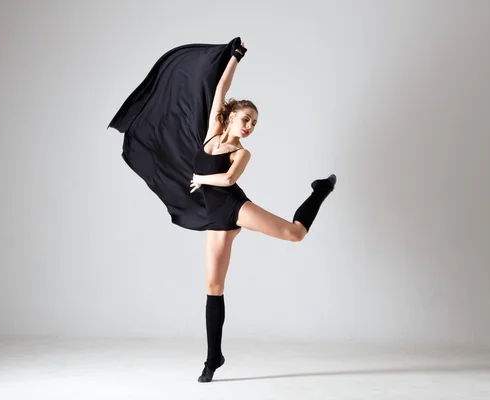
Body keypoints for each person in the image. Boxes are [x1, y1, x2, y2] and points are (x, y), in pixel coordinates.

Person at [108, 37, 336, 383]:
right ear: (230, 117)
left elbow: (228, 180)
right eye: (246, 118)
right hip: (216, 219)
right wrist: (235, 57)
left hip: (233, 207)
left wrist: (201, 177)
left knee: (295, 234)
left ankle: (320, 190)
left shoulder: (241, 152)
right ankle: (214, 357)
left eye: (255, 123)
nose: (249, 127)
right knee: (213, 286)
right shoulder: (214, 131)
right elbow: (221, 87)